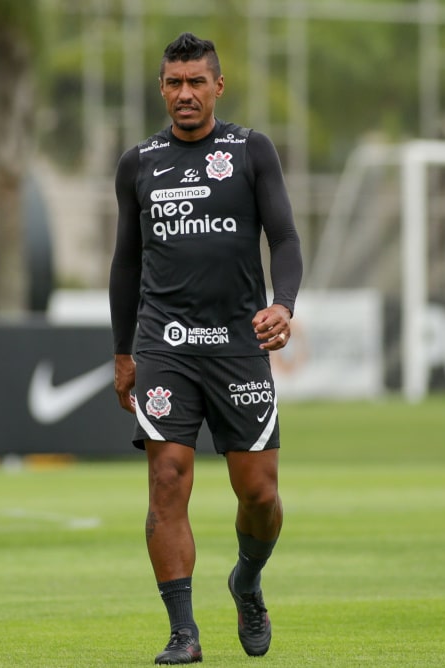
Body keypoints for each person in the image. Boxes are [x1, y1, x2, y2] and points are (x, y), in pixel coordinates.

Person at [109, 32, 302, 664]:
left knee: (260, 494)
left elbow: (286, 239)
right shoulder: (138, 163)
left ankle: (246, 581)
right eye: (173, 82)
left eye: (196, 82)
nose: (184, 93)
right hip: (164, 344)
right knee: (167, 480)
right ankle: (183, 633)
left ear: (218, 86)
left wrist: (284, 304)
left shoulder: (251, 151)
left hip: (237, 345)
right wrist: (122, 351)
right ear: (161, 87)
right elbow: (125, 263)